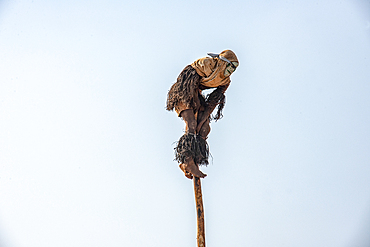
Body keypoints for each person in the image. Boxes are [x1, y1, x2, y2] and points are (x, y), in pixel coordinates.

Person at [166, 50, 239, 179]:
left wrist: (203, 118)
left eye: (234, 68)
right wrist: (194, 103)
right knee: (191, 124)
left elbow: (214, 100)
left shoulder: (225, 81)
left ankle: (191, 161)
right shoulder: (207, 64)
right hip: (184, 90)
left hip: (197, 95)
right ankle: (188, 160)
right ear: (223, 63)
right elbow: (187, 78)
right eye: (230, 66)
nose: (231, 71)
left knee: (204, 128)